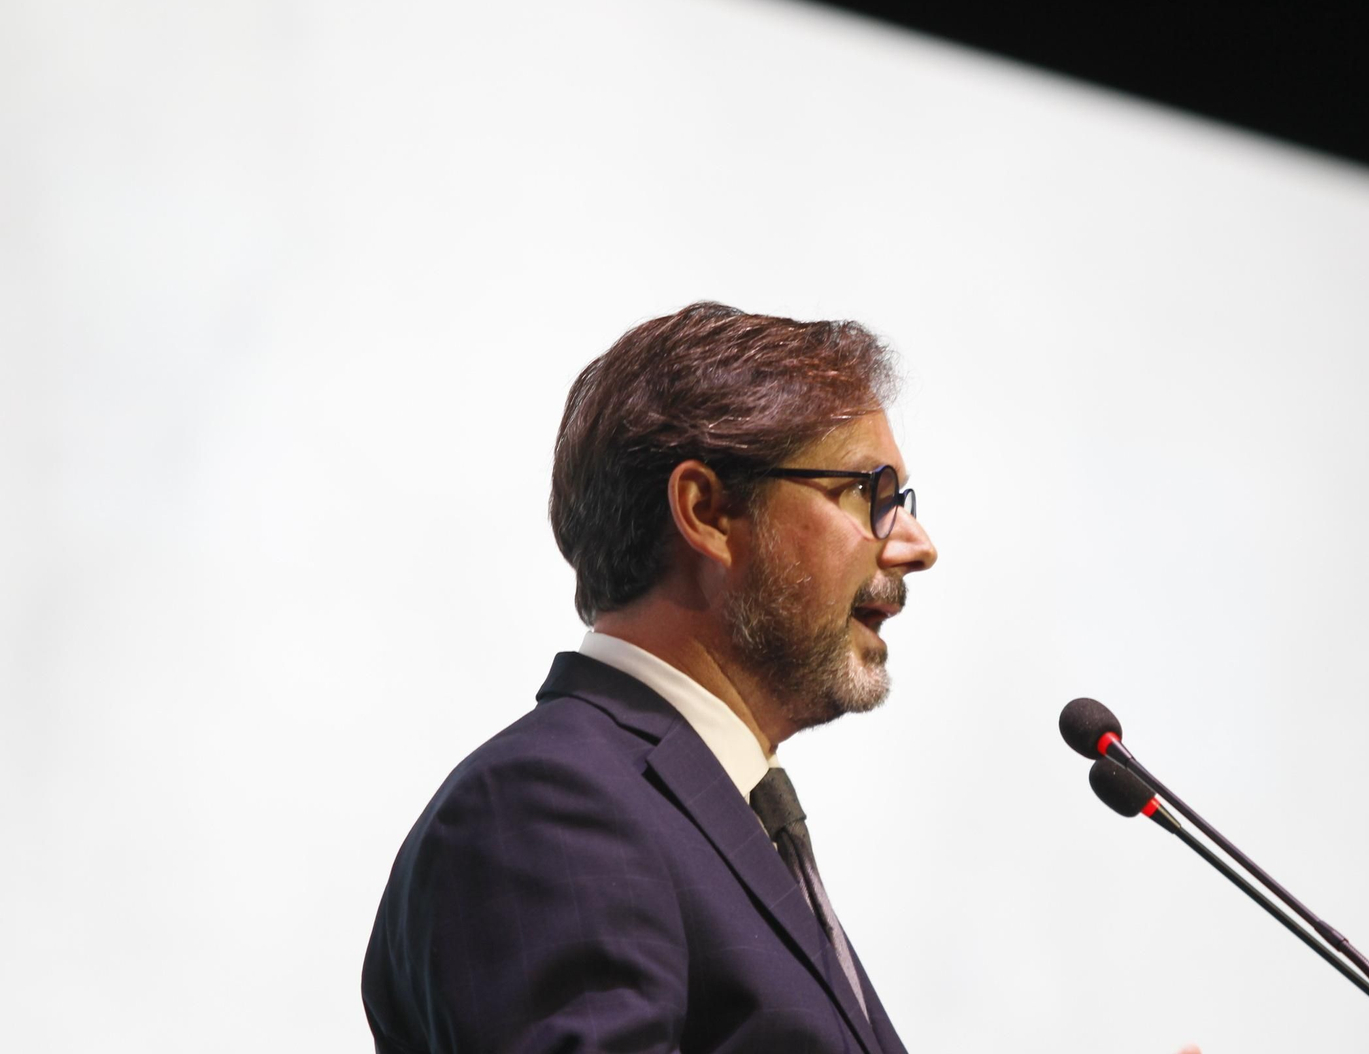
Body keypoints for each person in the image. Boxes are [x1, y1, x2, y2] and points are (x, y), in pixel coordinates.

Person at [362, 302, 938, 1054]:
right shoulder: (549, 807)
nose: (917, 546)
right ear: (704, 511)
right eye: (872, 493)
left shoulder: (724, 818)